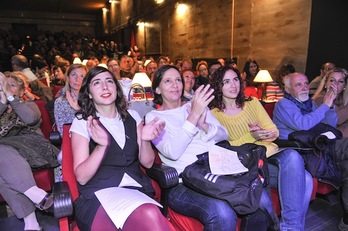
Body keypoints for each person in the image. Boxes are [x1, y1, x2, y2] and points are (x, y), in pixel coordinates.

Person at [146, 65, 277, 231]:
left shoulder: (195, 106)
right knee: (222, 212)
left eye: (178, 80)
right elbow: (172, 152)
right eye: (167, 81)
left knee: (259, 198)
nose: (175, 85)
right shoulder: (154, 117)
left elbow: (223, 135)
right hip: (183, 183)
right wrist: (193, 117)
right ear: (157, 89)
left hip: (218, 171)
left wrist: (205, 125)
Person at [209, 66, 313, 231]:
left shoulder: (252, 102)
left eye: (235, 80)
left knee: (299, 167)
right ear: (218, 86)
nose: (233, 85)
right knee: (304, 177)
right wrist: (253, 137)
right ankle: (292, 227)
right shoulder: (214, 114)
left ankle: (291, 227)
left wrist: (263, 132)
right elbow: (225, 148)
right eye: (226, 82)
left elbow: (274, 131)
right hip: (247, 163)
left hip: (270, 154)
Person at [70, 66, 170, 231]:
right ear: (89, 93)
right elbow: (81, 177)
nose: (105, 86)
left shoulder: (133, 116)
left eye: (109, 81)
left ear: (116, 88)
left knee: (150, 214)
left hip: (134, 190)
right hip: (98, 195)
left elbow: (148, 162)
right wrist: (101, 147)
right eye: (97, 83)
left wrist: (144, 140)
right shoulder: (83, 122)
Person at [272, 72, 348, 231]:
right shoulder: (284, 104)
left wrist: (330, 105)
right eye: (298, 84)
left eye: (306, 83)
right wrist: (325, 106)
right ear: (287, 88)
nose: (305, 87)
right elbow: (303, 125)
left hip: (315, 148)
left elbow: (330, 123)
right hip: (296, 150)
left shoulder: (310, 105)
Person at [0, 72, 59, 231]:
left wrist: (11, 97)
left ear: (21, 90)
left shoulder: (29, 104)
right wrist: (3, 101)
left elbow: (31, 119)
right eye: (4, 85)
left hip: (31, 149)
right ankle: (36, 207)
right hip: (7, 159)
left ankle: (33, 215)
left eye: (12, 85)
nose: (6, 88)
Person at [312, 68, 348, 137]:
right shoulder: (319, 99)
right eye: (332, 80)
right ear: (326, 83)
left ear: (344, 86)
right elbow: (337, 120)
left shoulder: (344, 100)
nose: (336, 84)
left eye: (340, 81)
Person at [54, 64, 88, 135]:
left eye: (82, 76)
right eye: (74, 75)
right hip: (72, 140)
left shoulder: (91, 99)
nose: (77, 79)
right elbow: (63, 132)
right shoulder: (60, 102)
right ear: (68, 78)